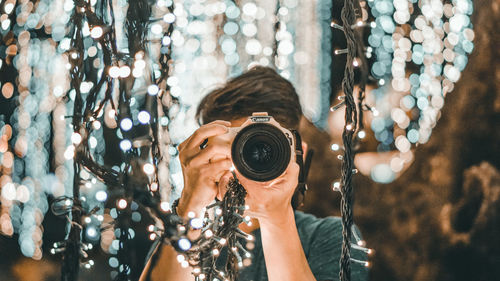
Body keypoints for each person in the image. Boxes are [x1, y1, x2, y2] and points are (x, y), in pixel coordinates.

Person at [139, 66, 368, 281]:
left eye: (264, 147)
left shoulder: (331, 237)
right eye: (239, 147)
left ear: (299, 155)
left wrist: (276, 217)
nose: (251, 159)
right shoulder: (188, 238)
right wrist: (189, 207)